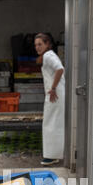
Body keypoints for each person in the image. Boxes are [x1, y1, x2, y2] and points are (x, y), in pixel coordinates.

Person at [34, 33, 65, 166]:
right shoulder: (48, 55)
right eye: (35, 45)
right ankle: (54, 154)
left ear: (47, 44)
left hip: (55, 94)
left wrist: (52, 88)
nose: (37, 47)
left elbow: (60, 69)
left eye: (40, 44)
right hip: (56, 93)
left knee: (50, 124)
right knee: (54, 123)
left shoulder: (48, 55)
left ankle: (51, 156)